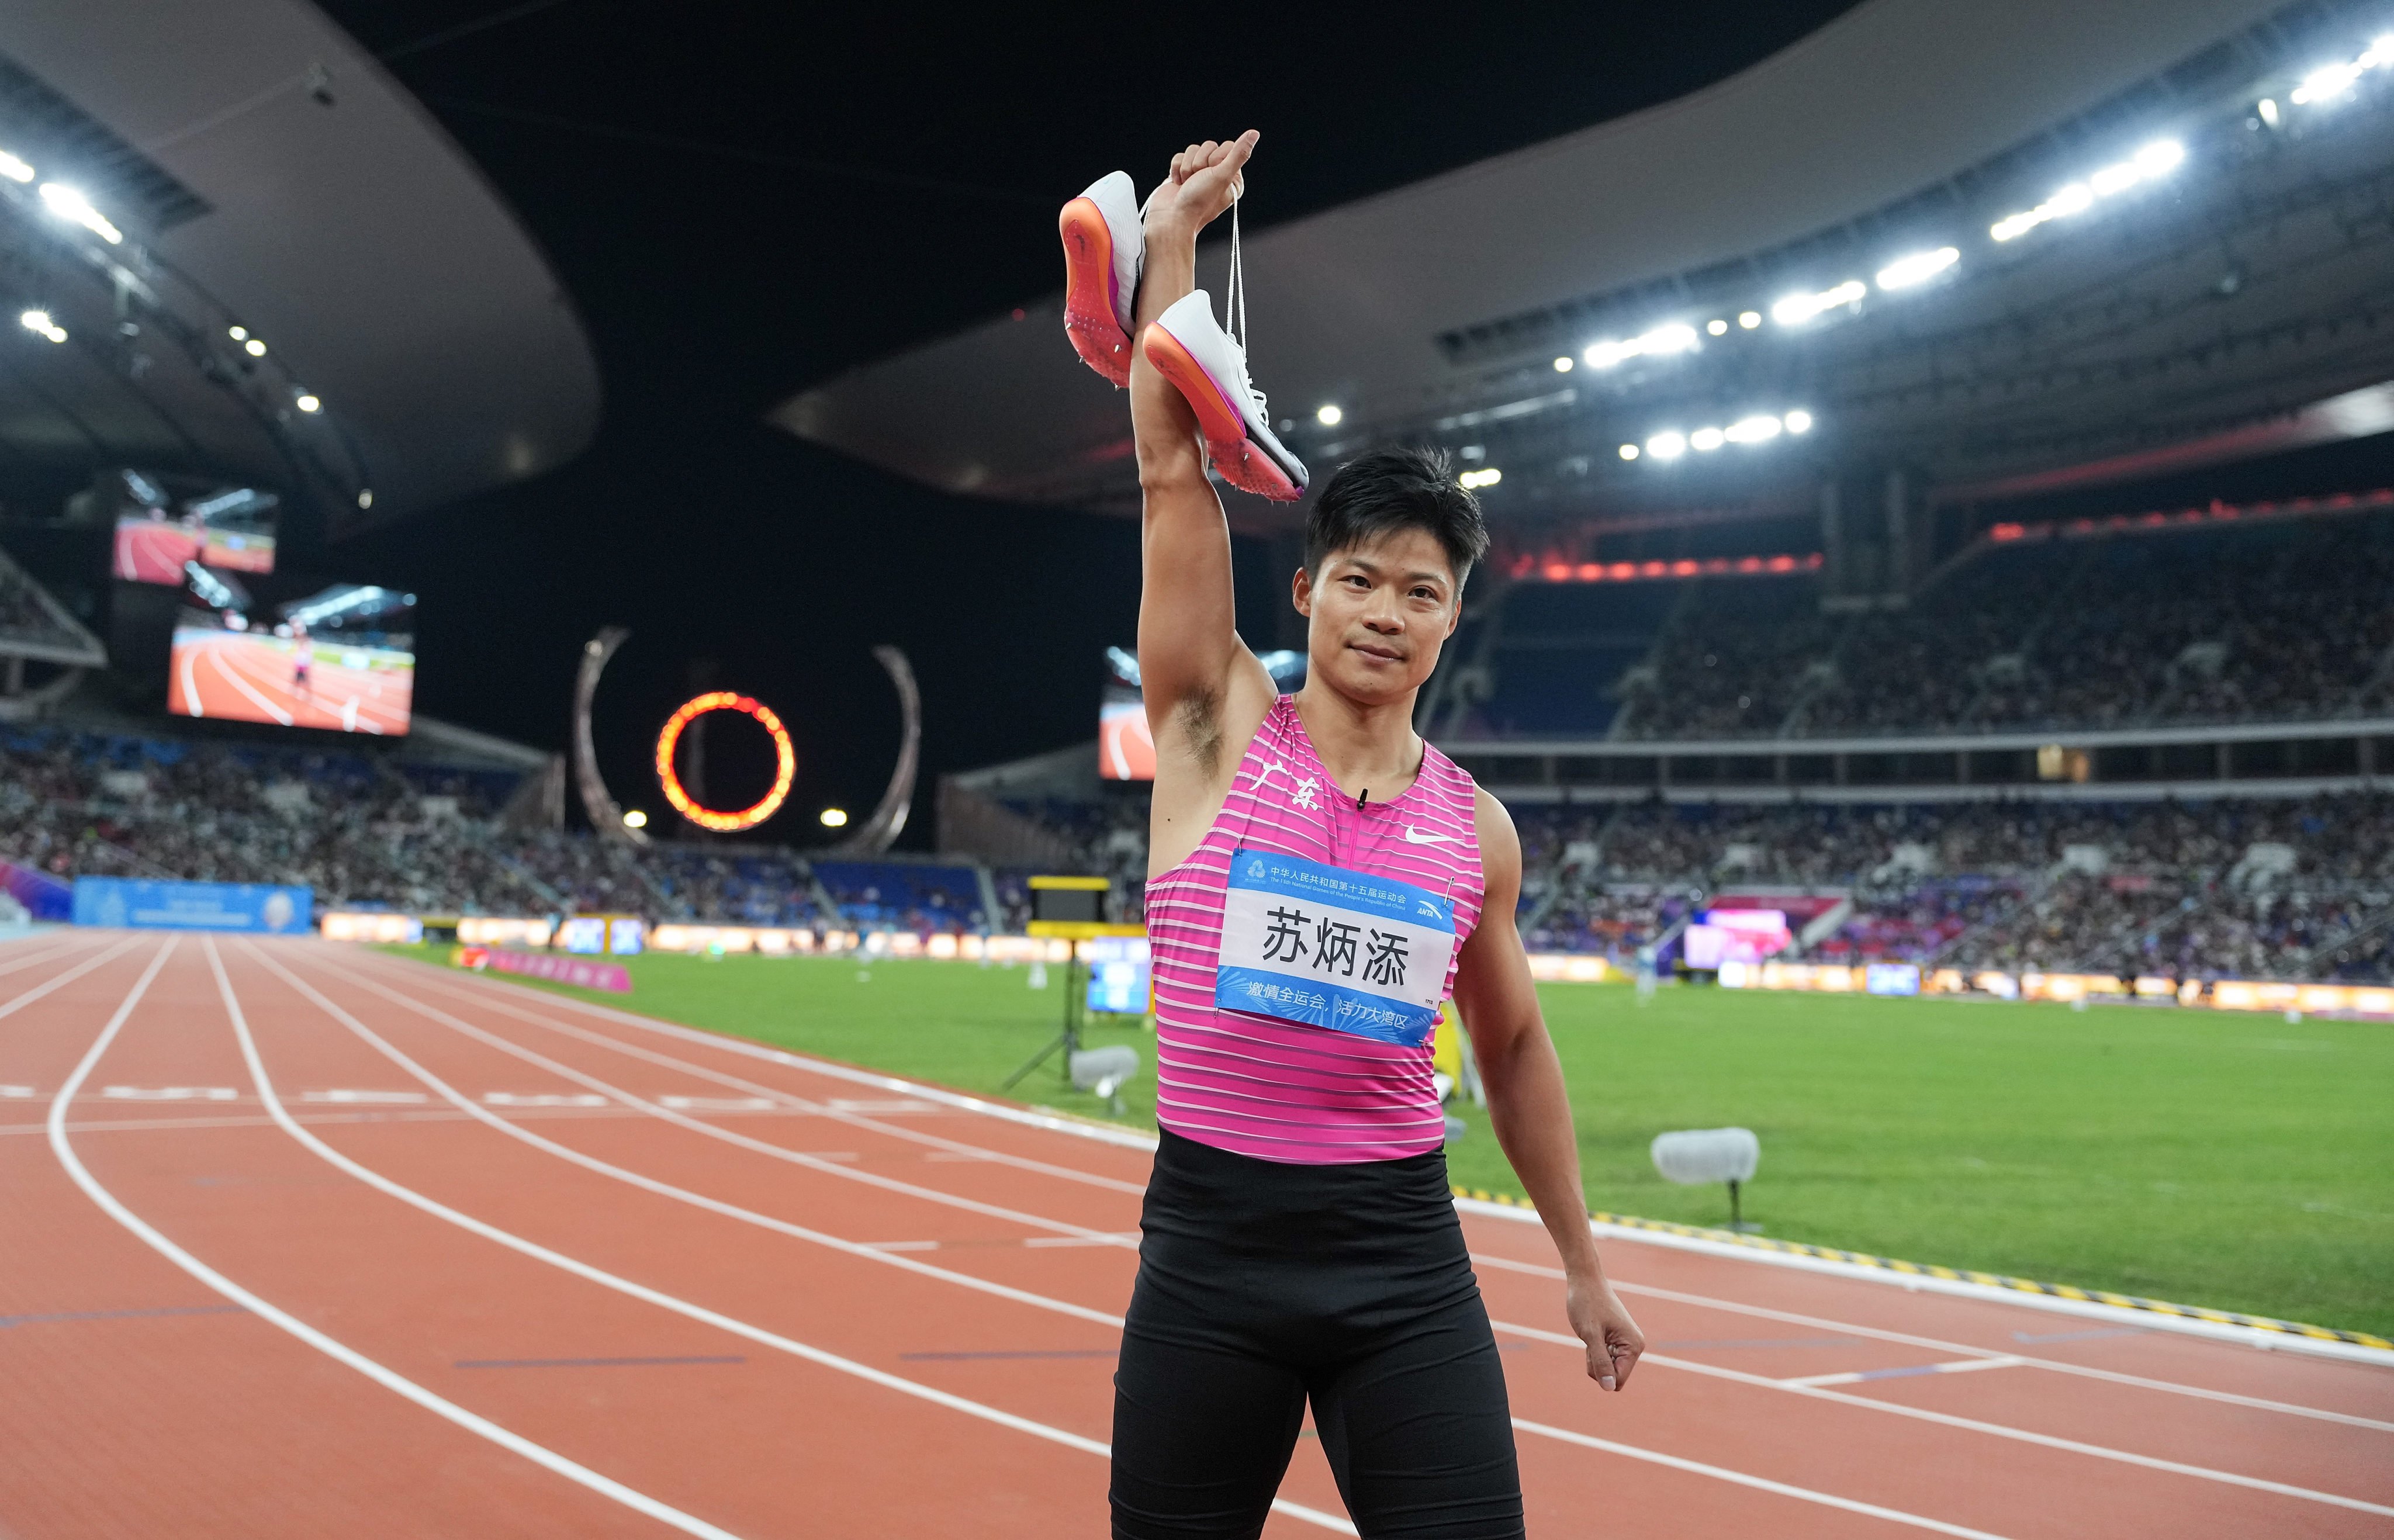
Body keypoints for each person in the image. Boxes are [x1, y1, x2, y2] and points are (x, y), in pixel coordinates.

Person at [1062, 132, 1644, 1540]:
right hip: (1210, 1254)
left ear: (1453, 621)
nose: (1388, 612)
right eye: (1362, 581)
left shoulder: (1475, 829)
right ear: (1309, 589)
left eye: (1423, 592)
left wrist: (1581, 1260)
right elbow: (1168, 477)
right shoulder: (1213, 728)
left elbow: (1508, 1045)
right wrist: (1179, 243)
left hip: (1400, 1262)